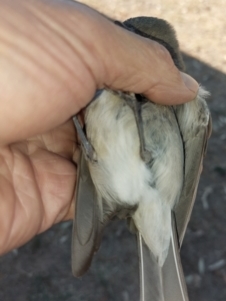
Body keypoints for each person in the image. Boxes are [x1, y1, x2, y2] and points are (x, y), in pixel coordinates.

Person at [0, 0, 199, 255]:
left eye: (136, 39)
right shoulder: (101, 87)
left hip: (143, 190)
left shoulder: (184, 102)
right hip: (111, 179)